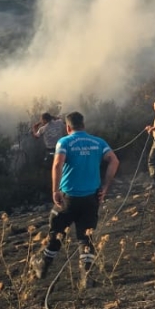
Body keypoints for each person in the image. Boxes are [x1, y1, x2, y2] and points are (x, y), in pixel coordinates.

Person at [34, 112, 119, 276]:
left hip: (69, 197)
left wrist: (55, 190)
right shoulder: (98, 142)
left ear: (67, 127)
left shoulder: (64, 141)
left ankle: (43, 265)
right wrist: (105, 186)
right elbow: (114, 161)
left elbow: (58, 164)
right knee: (85, 236)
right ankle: (86, 276)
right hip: (91, 198)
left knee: (57, 231)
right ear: (83, 125)